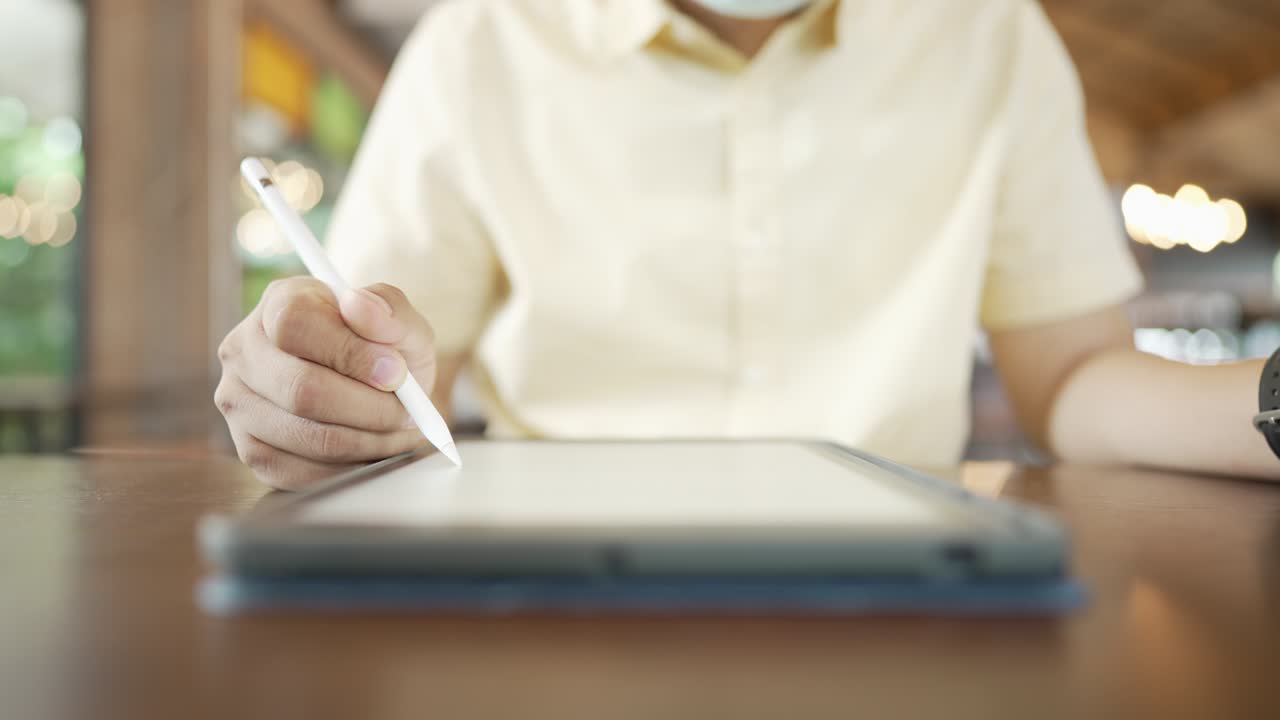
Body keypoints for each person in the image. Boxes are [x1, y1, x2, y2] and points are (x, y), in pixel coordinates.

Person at [215, 0, 1277, 489]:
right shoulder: (477, 44)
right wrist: (321, 394)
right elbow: (392, 371)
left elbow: (1073, 380)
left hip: (907, 600)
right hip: (561, 596)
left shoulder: (985, 32)